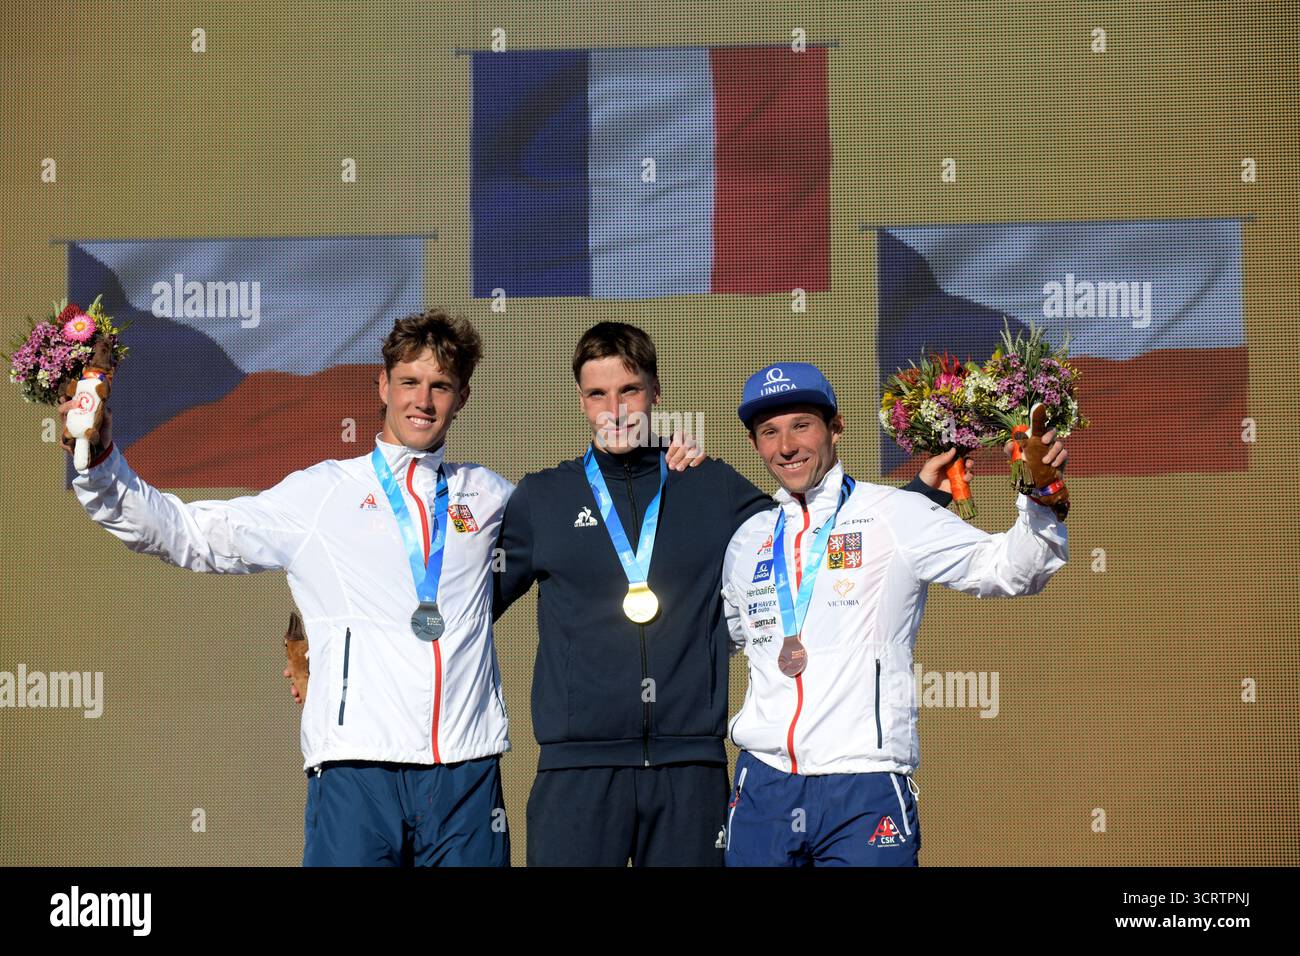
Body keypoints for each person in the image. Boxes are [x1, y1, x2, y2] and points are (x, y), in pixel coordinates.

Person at [62, 310, 516, 866]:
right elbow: (189, 534)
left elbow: (575, 536)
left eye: (440, 386)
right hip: (356, 767)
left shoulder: (489, 496)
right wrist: (100, 465)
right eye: (409, 382)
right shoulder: (321, 494)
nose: (422, 400)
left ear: (462, 396)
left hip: (466, 773)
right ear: (382, 385)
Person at [491, 323, 956, 866]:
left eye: (629, 390)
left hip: (691, 772)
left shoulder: (708, 485)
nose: (614, 409)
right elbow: (471, 608)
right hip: (576, 772)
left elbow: (811, 539)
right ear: (580, 400)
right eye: (598, 394)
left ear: (655, 393)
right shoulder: (543, 497)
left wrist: (920, 496)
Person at [720, 362, 1069, 867]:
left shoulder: (894, 514)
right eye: (769, 432)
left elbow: (1011, 571)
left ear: (836, 427)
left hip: (862, 786)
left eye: (801, 425)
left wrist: (1041, 498)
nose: (787, 446)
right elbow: (723, 637)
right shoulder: (748, 539)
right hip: (763, 786)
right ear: (755, 444)